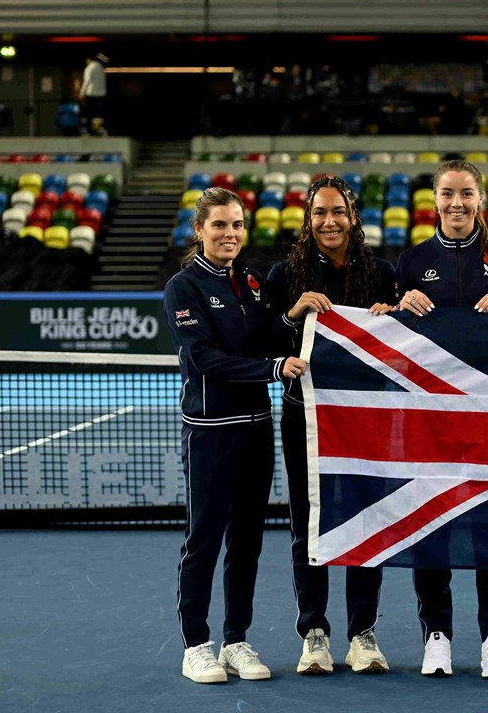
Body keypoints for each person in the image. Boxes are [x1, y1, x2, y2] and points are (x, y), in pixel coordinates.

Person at [162, 187, 307, 684]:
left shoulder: (250, 281)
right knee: (204, 540)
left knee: (246, 541)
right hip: (210, 433)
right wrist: (272, 368)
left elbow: (266, 336)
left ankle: (236, 640)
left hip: (256, 430)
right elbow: (204, 359)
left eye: (237, 225)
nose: (230, 234)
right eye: (219, 225)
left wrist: (291, 315)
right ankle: (196, 645)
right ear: (199, 230)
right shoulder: (184, 287)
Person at [265, 176, 399, 676]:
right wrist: (292, 314)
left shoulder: (382, 274)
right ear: (308, 219)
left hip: (369, 423)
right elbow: (264, 343)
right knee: (309, 524)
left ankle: (362, 633)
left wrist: (391, 319)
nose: (329, 222)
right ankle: (315, 633)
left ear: (353, 215)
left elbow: (405, 348)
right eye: (319, 213)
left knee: (369, 522)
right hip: (306, 420)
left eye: (338, 212)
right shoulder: (285, 274)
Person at [394, 159, 488, 679]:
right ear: (434, 200)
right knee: (432, 525)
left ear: (480, 199)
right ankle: (437, 635)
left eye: (466, 193)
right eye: (448, 194)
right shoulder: (410, 260)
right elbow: (391, 339)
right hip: (432, 423)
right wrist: (397, 306)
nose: (457, 203)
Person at [79, 54, 107, 135]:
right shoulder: (101, 68)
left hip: (91, 93)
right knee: (99, 112)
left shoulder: (89, 68)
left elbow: (87, 81)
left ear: (88, 60)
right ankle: (100, 128)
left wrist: (82, 92)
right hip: (101, 93)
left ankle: (89, 130)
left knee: (89, 112)